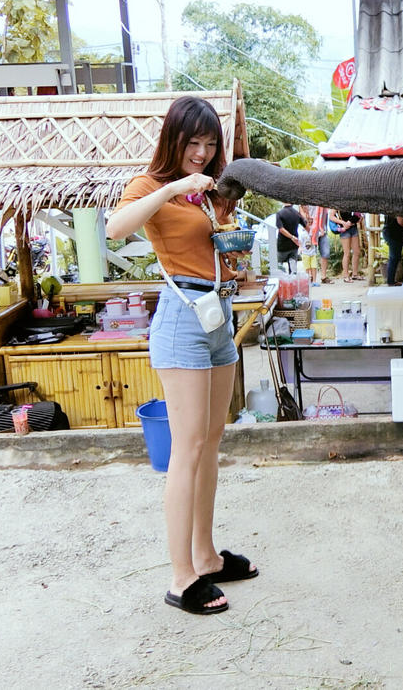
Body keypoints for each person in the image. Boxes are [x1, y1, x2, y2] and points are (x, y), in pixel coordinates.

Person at [106, 95, 258, 616]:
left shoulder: (212, 194)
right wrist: (174, 187)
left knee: (211, 440)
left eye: (209, 143)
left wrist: (235, 256)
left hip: (219, 312)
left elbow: (214, 250)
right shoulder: (150, 186)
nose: (201, 153)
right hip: (181, 319)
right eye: (192, 143)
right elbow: (115, 228)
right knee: (187, 446)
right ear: (173, 140)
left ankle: (207, 556)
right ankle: (180, 578)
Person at [331, 208, 363, 281]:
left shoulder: (353, 201)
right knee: (347, 253)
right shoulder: (338, 203)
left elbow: (358, 214)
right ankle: (346, 275)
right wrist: (342, 222)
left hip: (353, 227)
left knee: (357, 252)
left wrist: (358, 219)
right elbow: (331, 216)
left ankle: (355, 274)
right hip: (344, 229)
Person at [308, 206, 337, 284]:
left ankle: (323, 277)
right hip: (311, 231)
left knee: (326, 253)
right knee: (310, 254)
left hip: (323, 231)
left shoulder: (324, 202)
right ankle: (310, 276)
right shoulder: (308, 201)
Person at [274, 203, 306, 274]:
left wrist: (291, 237)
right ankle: (293, 281)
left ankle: (282, 281)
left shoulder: (279, 214)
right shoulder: (296, 213)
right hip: (294, 244)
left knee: (280, 264)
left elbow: (281, 229)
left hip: (282, 244)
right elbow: (305, 225)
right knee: (293, 265)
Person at [382, 213, 403, 286]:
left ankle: (391, 281)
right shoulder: (398, 206)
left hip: (391, 233)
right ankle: (390, 282)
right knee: (394, 258)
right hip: (393, 234)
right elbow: (401, 221)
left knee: (394, 258)